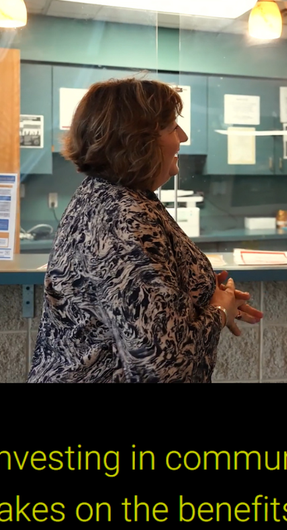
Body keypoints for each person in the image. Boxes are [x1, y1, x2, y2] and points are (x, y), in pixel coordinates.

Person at [29, 78, 262, 383]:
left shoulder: (110, 195)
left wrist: (204, 293)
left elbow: (141, 299)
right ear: (137, 141)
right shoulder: (124, 216)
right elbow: (161, 363)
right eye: (171, 127)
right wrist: (218, 311)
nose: (183, 136)